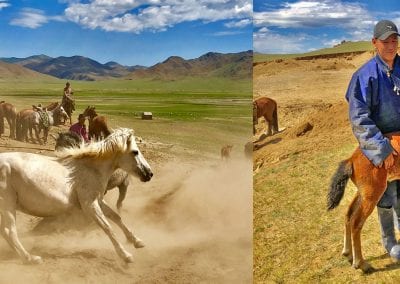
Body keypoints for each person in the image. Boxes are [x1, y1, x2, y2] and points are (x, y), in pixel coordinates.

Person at [345, 19, 400, 261]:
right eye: (385, 41)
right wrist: (381, 148)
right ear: (374, 43)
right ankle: (390, 242)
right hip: (380, 144)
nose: (391, 45)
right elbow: (359, 118)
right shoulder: (363, 76)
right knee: (383, 197)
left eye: (395, 40)